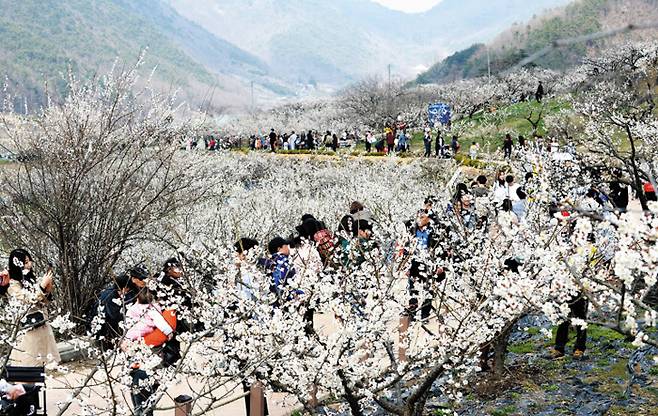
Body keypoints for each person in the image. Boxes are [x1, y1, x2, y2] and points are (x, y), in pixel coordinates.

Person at [6, 249, 60, 367]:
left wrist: (47, 290)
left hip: (41, 325)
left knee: (43, 365)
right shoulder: (12, 283)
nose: (29, 264)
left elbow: (42, 302)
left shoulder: (30, 278)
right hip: (27, 330)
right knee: (30, 365)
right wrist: (41, 287)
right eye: (25, 262)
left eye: (29, 260)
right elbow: (28, 299)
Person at [87, 265, 150, 349]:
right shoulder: (110, 296)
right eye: (142, 279)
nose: (145, 281)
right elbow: (115, 316)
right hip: (105, 328)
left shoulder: (131, 287)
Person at [551, 295, 588, 359]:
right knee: (563, 319)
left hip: (580, 293)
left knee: (581, 320)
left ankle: (579, 349)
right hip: (566, 292)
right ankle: (559, 349)